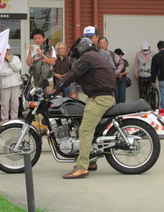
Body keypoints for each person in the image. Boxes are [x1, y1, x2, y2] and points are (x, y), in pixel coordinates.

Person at [47, 37, 116, 179]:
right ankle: (91, 161)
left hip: (99, 99)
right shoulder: (94, 57)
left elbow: (74, 73)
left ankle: (81, 167)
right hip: (102, 96)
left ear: (81, 49)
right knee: (91, 130)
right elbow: (77, 75)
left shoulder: (87, 57)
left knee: (85, 130)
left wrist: (56, 88)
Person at [0, 44, 22, 124]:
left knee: (15, 103)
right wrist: (12, 69)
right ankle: (4, 119)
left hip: (15, 83)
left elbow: (18, 67)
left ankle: (14, 119)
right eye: (4, 50)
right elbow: (1, 72)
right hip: (5, 84)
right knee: (4, 103)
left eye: (7, 49)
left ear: (10, 50)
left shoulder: (15, 58)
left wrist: (11, 61)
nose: (6, 51)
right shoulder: (0, 60)